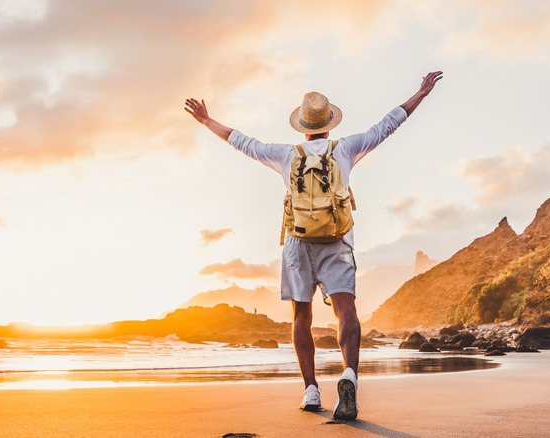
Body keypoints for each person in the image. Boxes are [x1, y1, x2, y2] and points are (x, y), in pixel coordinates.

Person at [184, 71, 442, 420]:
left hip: (298, 243)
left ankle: (310, 389)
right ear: (329, 124)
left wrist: (206, 119)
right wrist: (421, 93)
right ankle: (349, 375)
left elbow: (241, 141)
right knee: (345, 311)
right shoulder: (346, 149)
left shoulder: (286, 154)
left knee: (301, 315)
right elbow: (388, 124)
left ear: (303, 127)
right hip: (336, 241)